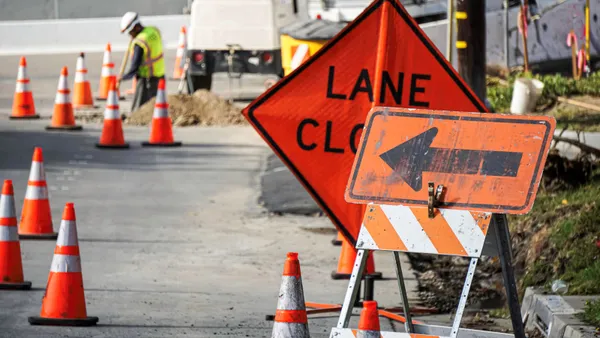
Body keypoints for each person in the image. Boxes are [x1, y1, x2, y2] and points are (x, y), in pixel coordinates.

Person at [118, 12, 166, 112]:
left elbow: (134, 67)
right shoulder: (153, 30)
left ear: (135, 27)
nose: (130, 35)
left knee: (140, 109)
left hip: (147, 78)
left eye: (130, 32)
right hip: (160, 75)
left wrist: (123, 77)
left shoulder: (140, 42)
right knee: (159, 106)